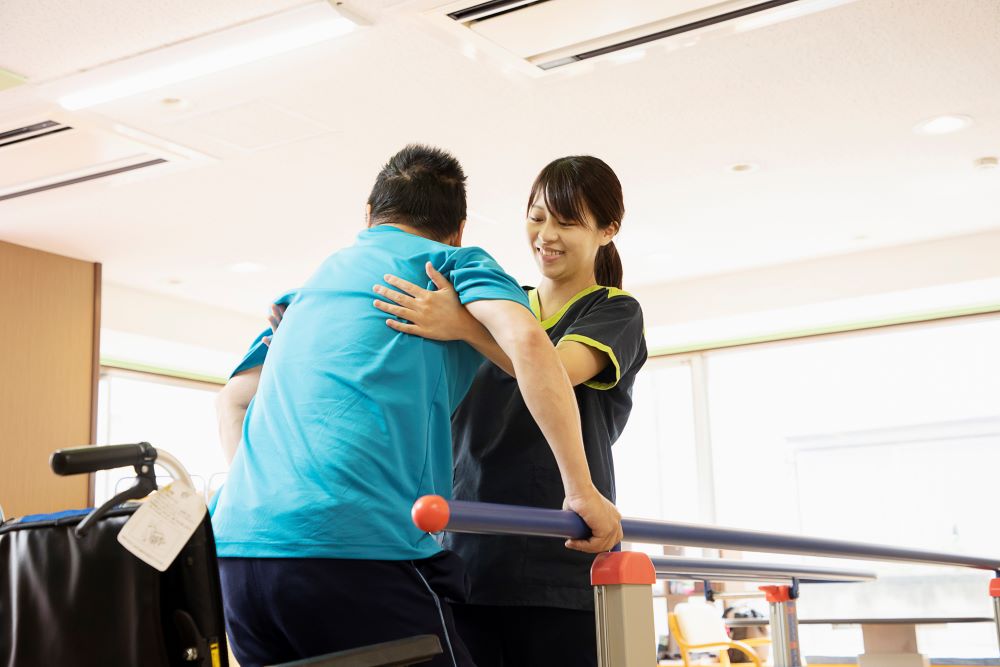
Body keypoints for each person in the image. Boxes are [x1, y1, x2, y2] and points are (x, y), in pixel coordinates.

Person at [210, 145, 622, 667]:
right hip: (357, 548)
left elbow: (233, 400)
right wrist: (581, 491)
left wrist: (271, 503)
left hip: (237, 554)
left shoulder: (307, 290)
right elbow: (530, 344)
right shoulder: (452, 266)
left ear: (368, 214)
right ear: (458, 230)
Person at [370, 155, 647, 666]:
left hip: (558, 560)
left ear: (608, 230)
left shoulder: (614, 310)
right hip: (468, 551)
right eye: (537, 217)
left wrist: (464, 328)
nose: (546, 235)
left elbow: (556, 370)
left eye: (568, 222)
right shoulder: (501, 303)